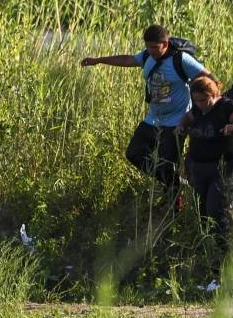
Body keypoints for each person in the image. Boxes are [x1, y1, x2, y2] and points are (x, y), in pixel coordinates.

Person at [81, 24, 212, 193]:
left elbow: (209, 78)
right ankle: (176, 183)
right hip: (153, 119)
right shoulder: (146, 57)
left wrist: (206, 106)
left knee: (167, 164)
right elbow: (127, 60)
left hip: (176, 121)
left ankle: (173, 202)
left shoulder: (181, 60)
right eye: (148, 47)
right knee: (134, 153)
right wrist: (98, 60)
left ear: (165, 44)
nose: (151, 51)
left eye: (154, 47)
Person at [175, 76, 233, 247]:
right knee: (202, 209)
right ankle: (209, 248)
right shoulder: (197, 108)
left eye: (203, 100)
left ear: (214, 94)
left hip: (227, 166)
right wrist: (181, 127)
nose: (199, 104)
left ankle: (225, 249)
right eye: (195, 100)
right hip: (199, 166)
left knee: (215, 208)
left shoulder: (226, 107)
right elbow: (187, 118)